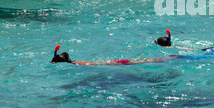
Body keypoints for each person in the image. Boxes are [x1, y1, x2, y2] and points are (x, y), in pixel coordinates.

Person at [51, 45, 185, 66]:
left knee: (144, 61)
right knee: (143, 61)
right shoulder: (75, 62)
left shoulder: (75, 64)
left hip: (112, 64)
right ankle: (170, 57)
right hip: (111, 62)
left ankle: (171, 58)